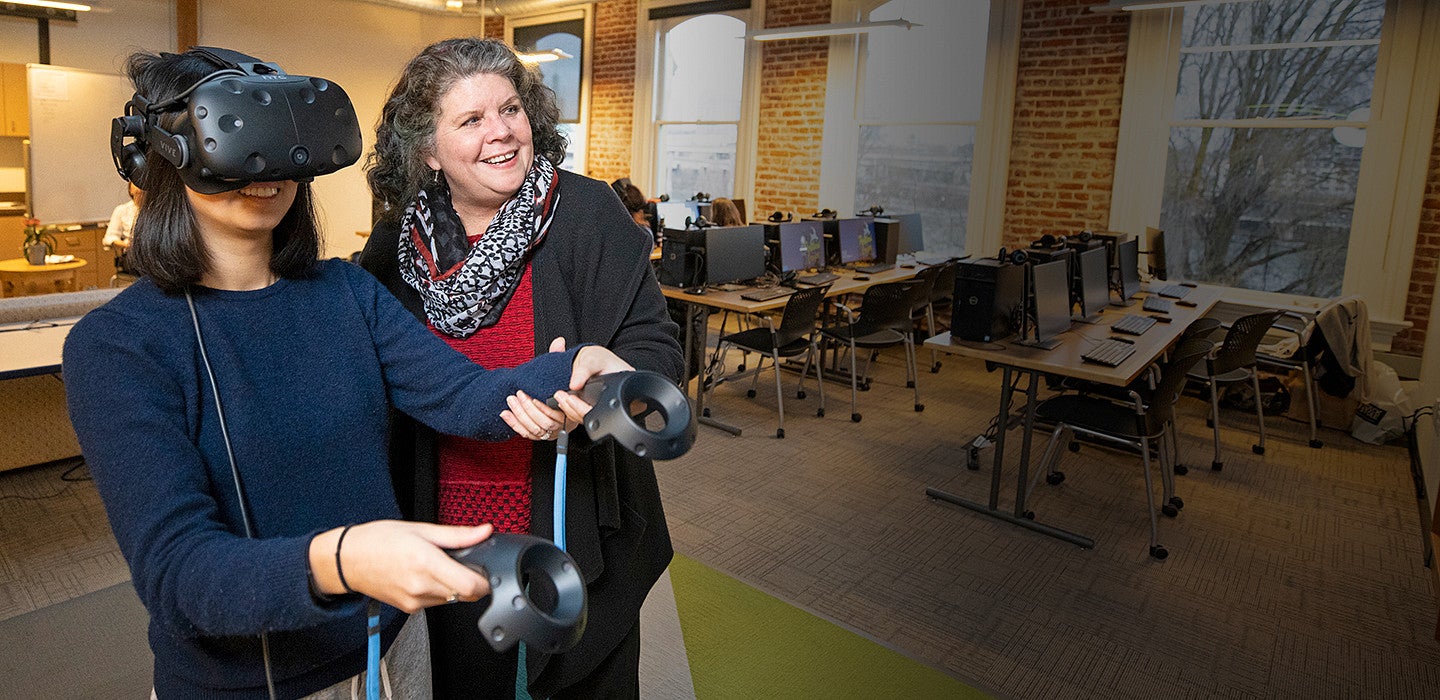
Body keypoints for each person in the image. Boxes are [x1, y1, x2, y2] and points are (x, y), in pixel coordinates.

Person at [62, 48, 633, 699]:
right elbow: (180, 577)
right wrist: (345, 561)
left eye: (280, 143)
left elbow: (462, 395)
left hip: (393, 652)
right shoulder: (118, 347)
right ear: (157, 156)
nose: (264, 169)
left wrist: (570, 369)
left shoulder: (345, 293)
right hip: (249, 683)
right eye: (236, 138)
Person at [361, 37, 684, 698]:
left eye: (509, 109)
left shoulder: (588, 215)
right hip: (448, 532)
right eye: (471, 120)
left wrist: (602, 381)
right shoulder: (395, 248)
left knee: (578, 681)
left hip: (573, 523)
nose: (501, 132)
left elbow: (658, 352)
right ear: (427, 150)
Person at [104, 182, 142, 270]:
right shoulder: (122, 210)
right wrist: (126, 245)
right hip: (132, 256)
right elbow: (109, 238)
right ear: (130, 189)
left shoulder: (157, 209)